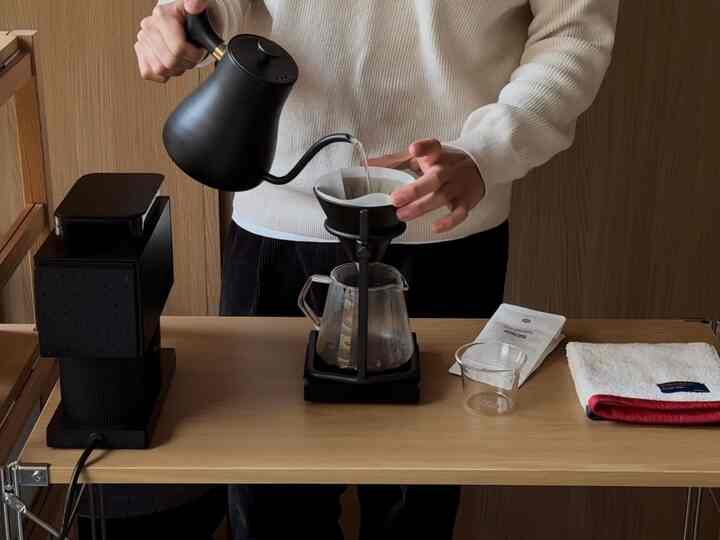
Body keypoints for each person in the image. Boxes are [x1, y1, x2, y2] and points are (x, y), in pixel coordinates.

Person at [134, 0, 618, 538]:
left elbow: (572, 34)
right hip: (277, 227)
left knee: (417, 511)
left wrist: (485, 151)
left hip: (445, 223)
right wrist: (184, 24)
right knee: (270, 507)